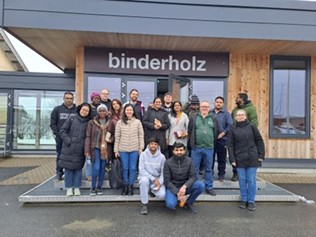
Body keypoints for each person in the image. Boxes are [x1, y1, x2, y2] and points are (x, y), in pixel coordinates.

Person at [228, 109, 265, 211]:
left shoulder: (252, 126)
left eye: (242, 114)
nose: (240, 116)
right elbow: (230, 145)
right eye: (238, 115)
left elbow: (259, 140)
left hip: (252, 157)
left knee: (251, 179)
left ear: (246, 116)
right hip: (239, 157)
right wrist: (232, 159)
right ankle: (244, 199)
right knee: (242, 179)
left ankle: (251, 201)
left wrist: (261, 154)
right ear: (235, 117)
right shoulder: (232, 128)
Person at [59, 102, 92, 196]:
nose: (84, 112)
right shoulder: (72, 118)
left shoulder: (89, 122)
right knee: (69, 169)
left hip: (80, 149)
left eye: (87, 110)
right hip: (69, 148)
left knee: (78, 169)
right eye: (83, 109)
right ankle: (69, 188)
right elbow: (62, 131)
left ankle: (77, 187)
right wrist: (68, 141)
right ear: (80, 109)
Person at [164, 143, 205, 214]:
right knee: (170, 205)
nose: (179, 152)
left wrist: (185, 186)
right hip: (173, 186)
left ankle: (188, 202)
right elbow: (167, 181)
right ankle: (179, 198)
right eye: (176, 150)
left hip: (185, 186)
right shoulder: (168, 162)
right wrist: (177, 192)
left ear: (184, 151)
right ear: (173, 151)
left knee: (201, 185)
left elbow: (193, 177)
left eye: (181, 150)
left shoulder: (189, 161)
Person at [188, 100, 218, 196]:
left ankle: (209, 187)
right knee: (195, 168)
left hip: (209, 148)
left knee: (209, 169)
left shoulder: (213, 118)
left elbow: (216, 132)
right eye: (203, 106)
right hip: (196, 148)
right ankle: (196, 186)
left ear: (209, 108)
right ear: (200, 107)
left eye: (206, 106)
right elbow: (190, 131)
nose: (204, 108)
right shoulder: (194, 117)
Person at [114, 104, 144, 196]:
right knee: (124, 168)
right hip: (122, 149)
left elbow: (141, 135)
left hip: (135, 148)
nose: (129, 112)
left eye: (131, 110)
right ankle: (125, 185)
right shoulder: (120, 122)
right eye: (127, 110)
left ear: (133, 111)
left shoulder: (138, 122)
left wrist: (141, 148)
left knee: (133, 168)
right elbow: (117, 136)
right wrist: (116, 150)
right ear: (124, 111)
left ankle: (131, 186)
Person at [230, 93, 259, 181]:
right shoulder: (235, 110)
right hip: (236, 135)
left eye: (237, 98)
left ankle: (246, 174)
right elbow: (232, 122)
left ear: (242, 99)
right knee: (235, 154)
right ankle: (235, 173)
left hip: (247, 137)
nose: (235, 99)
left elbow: (254, 123)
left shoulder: (251, 109)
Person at [50, 91, 77, 180]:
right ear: (64, 98)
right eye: (67, 98)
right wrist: (59, 134)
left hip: (74, 138)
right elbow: (53, 124)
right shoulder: (57, 109)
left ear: (73, 99)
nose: (69, 100)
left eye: (71, 98)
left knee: (72, 156)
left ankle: (70, 172)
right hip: (61, 138)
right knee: (60, 155)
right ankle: (59, 172)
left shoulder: (77, 110)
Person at [84, 104, 110, 196]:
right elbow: (88, 136)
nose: (102, 112)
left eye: (104, 110)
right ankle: (93, 187)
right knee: (96, 167)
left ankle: (99, 187)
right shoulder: (92, 122)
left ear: (106, 112)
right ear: (98, 112)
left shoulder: (109, 122)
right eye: (100, 110)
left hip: (105, 149)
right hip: (95, 147)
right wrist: (87, 149)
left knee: (103, 168)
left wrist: (111, 138)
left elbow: (113, 135)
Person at [138, 137, 166, 215]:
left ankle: (151, 190)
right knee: (144, 181)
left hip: (157, 179)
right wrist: (153, 179)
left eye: (155, 144)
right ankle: (144, 204)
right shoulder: (143, 155)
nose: (153, 146)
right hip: (145, 177)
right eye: (151, 144)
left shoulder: (162, 157)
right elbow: (141, 170)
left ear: (158, 146)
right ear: (148, 145)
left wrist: (159, 182)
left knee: (162, 195)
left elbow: (164, 172)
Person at [210, 96, 233, 182]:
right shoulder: (210, 113)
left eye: (220, 102)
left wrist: (223, 133)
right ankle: (210, 174)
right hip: (211, 139)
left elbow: (230, 125)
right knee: (210, 158)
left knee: (221, 158)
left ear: (223, 104)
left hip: (222, 139)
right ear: (214, 103)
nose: (218, 103)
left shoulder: (226, 114)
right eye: (217, 102)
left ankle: (221, 175)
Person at [107, 99, 122, 169]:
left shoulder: (124, 114)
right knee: (114, 159)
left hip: (123, 139)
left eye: (117, 103)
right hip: (113, 140)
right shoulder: (110, 116)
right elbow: (108, 129)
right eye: (114, 104)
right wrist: (109, 139)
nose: (116, 105)